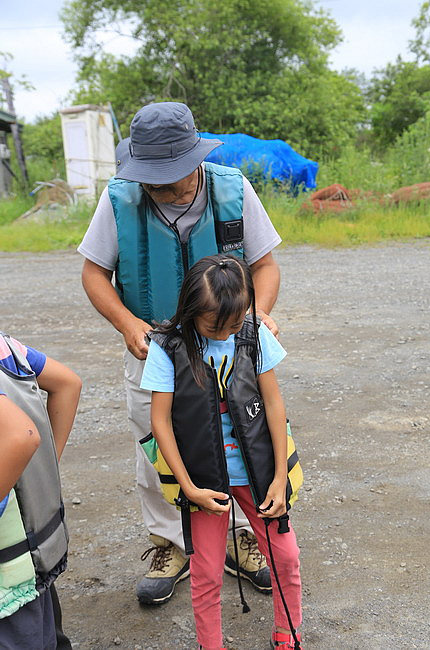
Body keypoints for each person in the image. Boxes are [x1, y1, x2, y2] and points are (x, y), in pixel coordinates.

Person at [77, 101, 282, 605]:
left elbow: (266, 266)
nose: (170, 188)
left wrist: (256, 314)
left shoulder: (233, 189)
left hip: (226, 347)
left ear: (196, 158)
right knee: (156, 447)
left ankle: (238, 536)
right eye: (157, 180)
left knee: (237, 439)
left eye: (178, 177)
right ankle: (170, 542)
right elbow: (92, 273)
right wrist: (127, 323)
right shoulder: (120, 199)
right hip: (156, 351)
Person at [141, 254, 302, 650]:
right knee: (207, 571)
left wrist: (280, 477)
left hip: (259, 475)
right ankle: (210, 644)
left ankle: (288, 634)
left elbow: (275, 405)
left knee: (286, 557)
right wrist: (188, 487)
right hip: (202, 482)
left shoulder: (252, 334)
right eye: (215, 326)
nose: (225, 333)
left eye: (234, 323)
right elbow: (160, 422)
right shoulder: (169, 346)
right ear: (192, 310)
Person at [0, 333, 82, 649]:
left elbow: (22, 437)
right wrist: (48, 463)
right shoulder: (8, 347)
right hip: (35, 554)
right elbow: (69, 383)